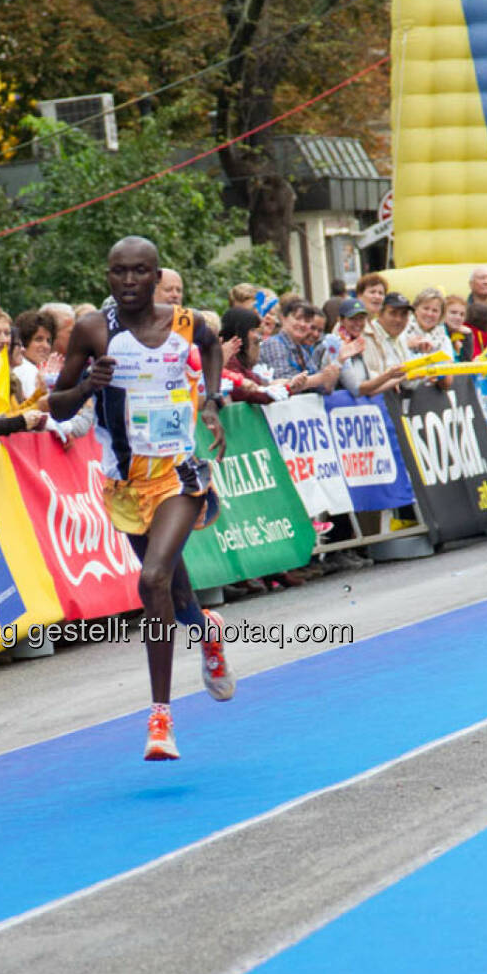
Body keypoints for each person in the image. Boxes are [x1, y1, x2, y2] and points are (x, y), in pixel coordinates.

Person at [49, 235, 235, 762]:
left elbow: (214, 343)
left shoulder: (184, 322)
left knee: (151, 578)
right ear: (107, 276)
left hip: (178, 472)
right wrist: (88, 386)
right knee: (174, 599)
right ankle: (207, 630)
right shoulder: (92, 330)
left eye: (139, 272)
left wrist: (214, 401)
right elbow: (58, 408)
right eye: (118, 272)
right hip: (125, 483)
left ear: (157, 278)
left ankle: (160, 718)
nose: (128, 281)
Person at [262, 302, 342, 393]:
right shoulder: (274, 344)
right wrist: (320, 378)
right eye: (298, 318)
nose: (302, 324)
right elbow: (285, 384)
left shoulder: (302, 349)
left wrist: (330, 376)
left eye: (307, 321)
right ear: (283, 318)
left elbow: (320, 387)